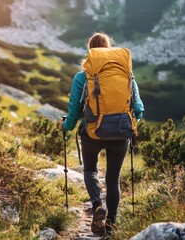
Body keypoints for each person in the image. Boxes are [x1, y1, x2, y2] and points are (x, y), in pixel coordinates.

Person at [58, 32, 144, 235]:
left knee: (90, 171)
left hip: (93, 133)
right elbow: (139, 109)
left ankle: (97, 206)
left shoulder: (82, 77)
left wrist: (66, 126)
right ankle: (112, 226)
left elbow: (75, 112)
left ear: (90, 51)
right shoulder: (127, 74)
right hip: (122, 132)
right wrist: (126, 124)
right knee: (113, 179)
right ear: (109, 49)